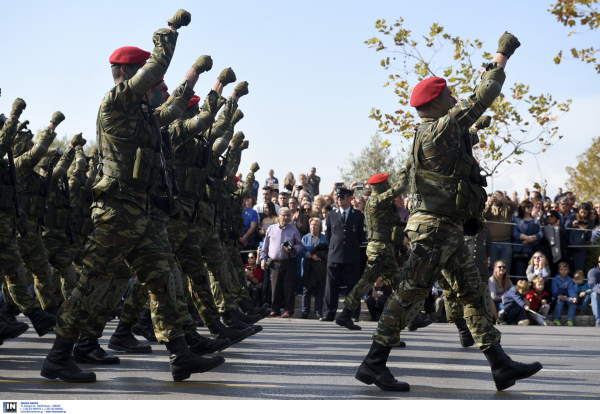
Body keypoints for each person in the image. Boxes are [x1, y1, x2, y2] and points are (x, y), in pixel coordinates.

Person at [40, 11, 228, 384]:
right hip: (116, 213)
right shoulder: (114, 103)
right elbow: (157, 68)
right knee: (91, 283)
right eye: (149, 74)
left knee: (162, 280)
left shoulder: (143, 116)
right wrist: (171, 32)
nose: (157, 80)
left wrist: (200, 79)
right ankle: (59, 357)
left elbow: (176, 109)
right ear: (128, 74)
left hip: (142, 214)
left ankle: (180, 355)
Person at [357, 34, 541, 393]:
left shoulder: (433, 133)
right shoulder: (436, 132)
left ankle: (500, 365)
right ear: (438, 102)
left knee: (473, 292)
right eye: (449, 97)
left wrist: (475, 130)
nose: (454, 100)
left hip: (448, 230)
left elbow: (461, 140)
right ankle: (373, 362)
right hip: (433, 231)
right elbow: (480, 98)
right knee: (409, 292)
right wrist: (501, 56)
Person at [0, 99, 57, 337]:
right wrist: (14, 115)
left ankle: (35, 316)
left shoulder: (12, 165)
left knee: (15, 272)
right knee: (14, 274)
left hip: (8, 226)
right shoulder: (16, 161)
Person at [322, 187, 367, 322]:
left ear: (349, 199)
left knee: (353, 287)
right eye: (337, 197)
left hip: (352, 255)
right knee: (331, 286)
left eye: (342, 197)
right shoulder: (331, 215)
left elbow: (361, 236)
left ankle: (352, 315)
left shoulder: (358, 215)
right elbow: (328, 236)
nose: (338, 199)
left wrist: (350, 247)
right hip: (334, 254)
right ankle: (328, 314)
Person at [260, 207, 303, 318]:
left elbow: (300, 245)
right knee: (275, 287)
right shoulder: (271, 229)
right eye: (283, 215)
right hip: (274, 263)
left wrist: (293, 249)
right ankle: (275, 310)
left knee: (289, 288)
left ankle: (288, 310)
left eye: (288, 215)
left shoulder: (294, 230)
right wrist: (263, 260)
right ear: (278, 216)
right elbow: (265, 247)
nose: (286, 217)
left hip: (288, 261)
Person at [484, 191, 518, 278]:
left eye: (500, 196)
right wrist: (489, 203)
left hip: (506, 242)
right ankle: (494, 288)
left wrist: (508, 202)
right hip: (492, 243)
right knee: (493, 268)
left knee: (506, 268)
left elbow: (516, 206)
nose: (498, 198)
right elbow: (484, 215)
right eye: (496, 196)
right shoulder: (489, 207)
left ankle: (506, 290)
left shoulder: (508, 207)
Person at [301, 218, 329, 319]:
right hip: (308, 267)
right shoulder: (305, 238)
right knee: (306, 290)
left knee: (319, 290)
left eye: (315, 225)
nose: (313, 227)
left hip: (320, 267)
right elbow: (301, 251)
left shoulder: (324, 238)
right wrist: (311, 255)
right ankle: (305, 312)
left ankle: (318, 312)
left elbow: (328, 251)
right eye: (312, 225)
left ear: (320, 227)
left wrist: (320, 256)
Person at [512, 200, 543, 277]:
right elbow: (515, 233)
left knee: (533, 273)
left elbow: (540, 233)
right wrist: (527, 238)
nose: (530, 208)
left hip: (533, 250)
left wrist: (529, 240)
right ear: (522, 208)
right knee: (520, 273)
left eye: (531, 206)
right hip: (520, 250)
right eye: (528, 206)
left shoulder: (536, 220)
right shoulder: (517, 220)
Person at [565, 203, 594, 273]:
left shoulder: (590, 221)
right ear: (578, 211)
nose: (583, 214)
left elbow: (588, 238)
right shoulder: (572, 217)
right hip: (570, 246)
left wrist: (585, 231)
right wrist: (572, 226)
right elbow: (565, 231)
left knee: (579, 269)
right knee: (569, 268)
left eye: (585, 213)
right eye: (581, 212)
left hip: (581, 248)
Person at [551, 262, 577, 326]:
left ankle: (570, 319)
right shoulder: (555, 279)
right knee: (560, 301)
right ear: (559, 270)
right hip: (559, 297)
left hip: (567, 297)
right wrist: (559, 296)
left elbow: (571, 289)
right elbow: (554, 291)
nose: (563, 271)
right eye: (561, 269)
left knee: (573, 303)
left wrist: (573, 297)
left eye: (565, 269)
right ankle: (556, 319)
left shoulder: (570, 280)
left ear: (568, 271)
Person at [586, 257, 600, 327]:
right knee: (594, 295)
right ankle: (598, 321)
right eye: (599, 262)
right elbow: (592, 285)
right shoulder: (593, 271)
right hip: (595, 292)